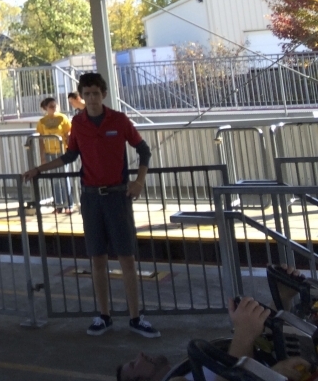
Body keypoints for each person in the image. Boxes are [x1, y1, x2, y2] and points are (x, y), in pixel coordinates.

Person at [23, 72, 158, 338]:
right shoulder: (78, 123)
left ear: (103, 94)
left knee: (126, 258)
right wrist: (39, 169)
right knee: (97, 258)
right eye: (87, 94)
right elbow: (71, 155)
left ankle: (135, 317)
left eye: (96, 93)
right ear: (82, 97)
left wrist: (139, 181)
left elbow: (143, 149)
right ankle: (104, 316)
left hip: (118, 196)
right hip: (91, 197)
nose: (92, 98)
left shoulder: (118, 120)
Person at [117, 297, 313, 381]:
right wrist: (243, 335)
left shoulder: (192, 365)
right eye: (134, 364)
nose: (140, 354)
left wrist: (283, 298)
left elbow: (266, 345)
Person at [35, 97, 73, 213]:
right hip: (49, 152)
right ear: (46, 108)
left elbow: (68, 134)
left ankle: (68, 204)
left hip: (62, 151)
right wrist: (42, 156)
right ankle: (58, 205)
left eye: (55, 105)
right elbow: (41, 139)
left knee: (64, 177)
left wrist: (70, 149)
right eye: (51, 106)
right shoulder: (42, 121)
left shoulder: (63, 118)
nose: (53, 107)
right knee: (55, 179)